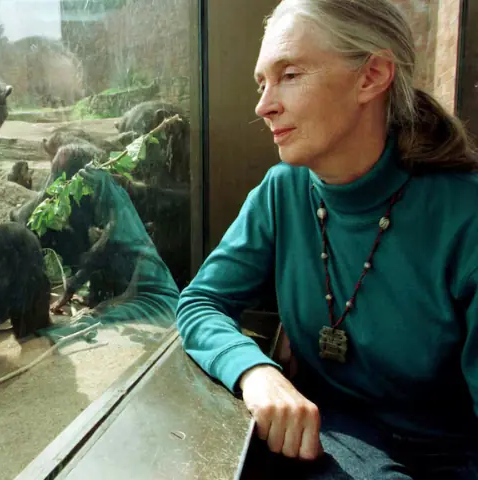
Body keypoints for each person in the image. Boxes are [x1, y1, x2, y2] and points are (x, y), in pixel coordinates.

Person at [175, 0, 478, 478]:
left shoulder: (465, 216)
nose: (263, 105)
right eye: (262, 82)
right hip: (339, 447)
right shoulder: (282, 192)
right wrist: (256, 373)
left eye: (290, 74)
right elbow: (200, 303)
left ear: (372, 75)